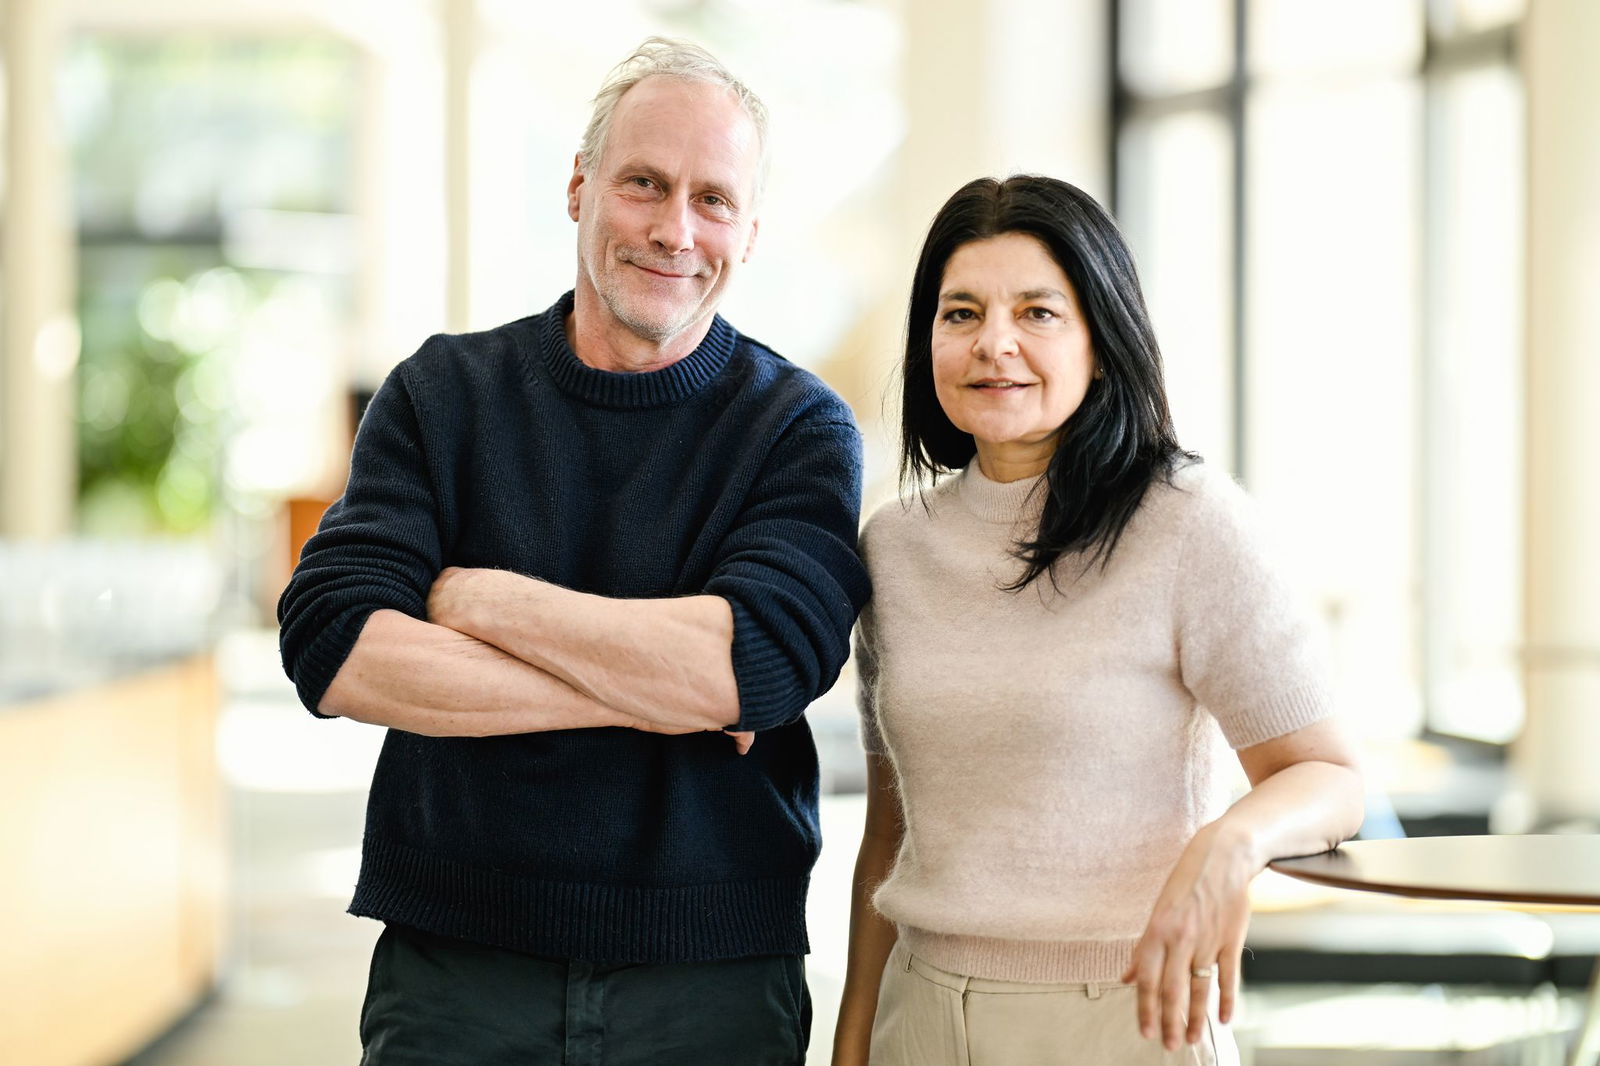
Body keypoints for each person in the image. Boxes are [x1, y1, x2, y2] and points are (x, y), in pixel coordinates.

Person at [277, 37, 869, 1066]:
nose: (674, 229)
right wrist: (675, 691)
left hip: (711, 980)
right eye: (643, 183)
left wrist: (481, 601)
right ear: (579, 188)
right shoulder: (443, 395)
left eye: (712, 199)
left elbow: (760, 663)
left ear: (751, 230)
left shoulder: (797, 428)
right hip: (459, 969)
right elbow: (333, 645)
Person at [830, 175, 1365, 1066]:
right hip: (919, 1018)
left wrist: (1232, 842)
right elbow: (893, 833)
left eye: (1038, 312)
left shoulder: (1190, 523)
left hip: (1128, 1019)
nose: (994, 343)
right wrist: (850, 1046)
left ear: (1102, 341)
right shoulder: (893, 545)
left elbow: (1329, 776)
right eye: (961, 313)